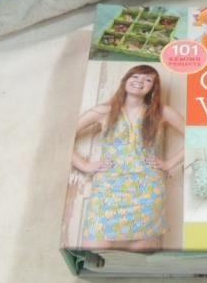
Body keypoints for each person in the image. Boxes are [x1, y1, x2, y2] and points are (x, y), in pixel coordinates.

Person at [72, 65, 185, 251]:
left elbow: (197, 137)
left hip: (147, 190)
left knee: (140, 252)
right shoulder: (104, 111)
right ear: (125, 80)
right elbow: (64, 137)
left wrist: (168, 164)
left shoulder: (161, 112)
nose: (140, 81)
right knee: (94, 249)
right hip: (108, 189)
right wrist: (84, 165)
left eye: (148, 80)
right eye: (135, 76)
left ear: (153, 88)